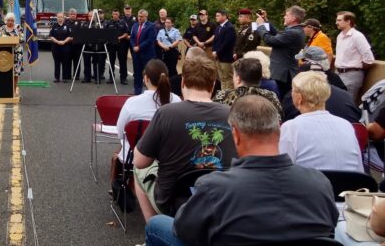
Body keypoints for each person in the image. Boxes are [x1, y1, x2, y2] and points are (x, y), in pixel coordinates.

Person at [144, 96, 339, 246]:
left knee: (156, 224)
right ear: (278, 130)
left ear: (235, 135)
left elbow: (183, 229)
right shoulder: (319, 183)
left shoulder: (215, 188)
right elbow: (330, 229)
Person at [133, 57, 237, 221]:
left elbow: (140, 161)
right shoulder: (232, 114)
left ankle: (154, 232)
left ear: (182, 83)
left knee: (138, 170)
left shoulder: (166, 113)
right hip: (222, 201)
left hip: (171, 202)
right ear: (213, 85)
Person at [279, 71, 363, 172]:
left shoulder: (291, 127)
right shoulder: (346, 125)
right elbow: (359, 169)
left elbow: (282, 169)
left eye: (292, 91)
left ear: (299, 98)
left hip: (311, 185)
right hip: (350, 185)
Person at [113, 60, 181, 178]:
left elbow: (120, 133)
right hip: (168, 155)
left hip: (137, 155)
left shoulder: (132, 103)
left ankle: (119, 189)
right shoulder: (177, 101)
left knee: (119, 152)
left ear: (146, 78)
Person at [255, 5, 306, 97]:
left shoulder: (292, 33)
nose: (284, 17)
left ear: (293, 18)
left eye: (286, 15)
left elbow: (269, 40)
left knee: (279, 100)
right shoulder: (296, 30)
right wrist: (266, 20)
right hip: (284, 73)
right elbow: (278, 35)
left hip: (283, 74)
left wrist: (261, 26)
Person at [213, 58, 283, 118]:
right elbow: (279, 117)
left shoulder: (223, 96)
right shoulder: (271, 96)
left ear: (238, 79)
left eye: (234, 75)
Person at [335, 10, 375, 100]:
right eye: (337, 20)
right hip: (338, 74)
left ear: (348, 21)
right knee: (338, 102)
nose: (336, 22)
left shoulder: (357, 36)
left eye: (339, 20)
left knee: (348, 104)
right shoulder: (340, 36)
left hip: (351, 76)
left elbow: (369, 58)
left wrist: (355, 69)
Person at [130, 10, 157, 95]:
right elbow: (132, 38)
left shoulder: (151, 26)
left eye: (141, 17)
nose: (139, 18)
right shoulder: (135, 25)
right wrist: (134, 46)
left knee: (148, 73)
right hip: (136, 54)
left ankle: (150, 92)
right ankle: (137, 91)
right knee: (137, 73)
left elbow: (150, 40)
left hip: (147, 54)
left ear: (146, 17)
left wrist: (140, 47)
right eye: (138, 16)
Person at [211, 10, 236, 91]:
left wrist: (217, 52)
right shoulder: (218, 27)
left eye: (218, 15)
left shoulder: (230, 28)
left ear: (224, 16)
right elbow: (215, 41)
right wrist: (214, 51)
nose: (216, 17)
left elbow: (226, 43)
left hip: (226, 58)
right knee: (221, 78)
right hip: (218, 57)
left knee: (227, 78)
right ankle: (223, 95)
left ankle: (228, 97)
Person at [0, 12, 25, 86]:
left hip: (17, 53)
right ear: (5, 20)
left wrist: (14, 39)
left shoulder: (18, 27)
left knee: (15, 72)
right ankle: (5, 89)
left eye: (12, 20)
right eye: (8, 20)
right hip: (4, 53)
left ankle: (14, 89)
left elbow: (22, 39)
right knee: (5, 70)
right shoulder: (2, 28)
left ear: (14, 21)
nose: (10, 22)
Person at [105, 9, 129, 83]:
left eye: (116, 14)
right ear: (112, 14)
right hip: (111, 45)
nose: (115, 15)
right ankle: (111, 77)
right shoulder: (108, 23)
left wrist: (119, 38)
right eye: (114, 14)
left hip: (121, 44)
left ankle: (123, 78)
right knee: (111, 61)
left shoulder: (123, 22)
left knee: (122, 61)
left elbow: (126, 33)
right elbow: (105, 33)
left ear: (119, 15)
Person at [49, 12, 72, 82]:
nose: (60, 18)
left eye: (61, 17)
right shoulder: (54, 26)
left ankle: (65, 78)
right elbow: (51, 36)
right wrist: (57, 41)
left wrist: (64, 41)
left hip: (65, 47)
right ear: (57, 18)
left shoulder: (67, 26)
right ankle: (57, 78)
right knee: (57, 63)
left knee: (65, 62)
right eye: (58, 17)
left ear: (63, 18)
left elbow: (70, 36)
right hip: (56, 47)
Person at [118, 5, 135, 84]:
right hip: (123, 41)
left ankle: (137, 75)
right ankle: (123, 77)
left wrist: (131, 36)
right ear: (124, 10)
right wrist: (125, 36)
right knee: (122, 59)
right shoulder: (120, 19)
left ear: (131, 10)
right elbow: (118, 30)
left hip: (133, 40)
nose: (127, 11)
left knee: (135, 59)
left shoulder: (136, 19)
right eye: (126, 9)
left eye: (129, 9)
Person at [67, 8, 84, 81]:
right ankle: (68, 75)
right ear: (69, 15)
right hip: (68, 44)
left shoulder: (79, 22)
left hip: (77, 45)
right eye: (71, 14)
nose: (73, 15)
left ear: (76, 15)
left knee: (77, 61)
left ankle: (76, 75)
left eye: (74, 14)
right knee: (68, 60)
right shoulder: (66, 22)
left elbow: (81, 33)